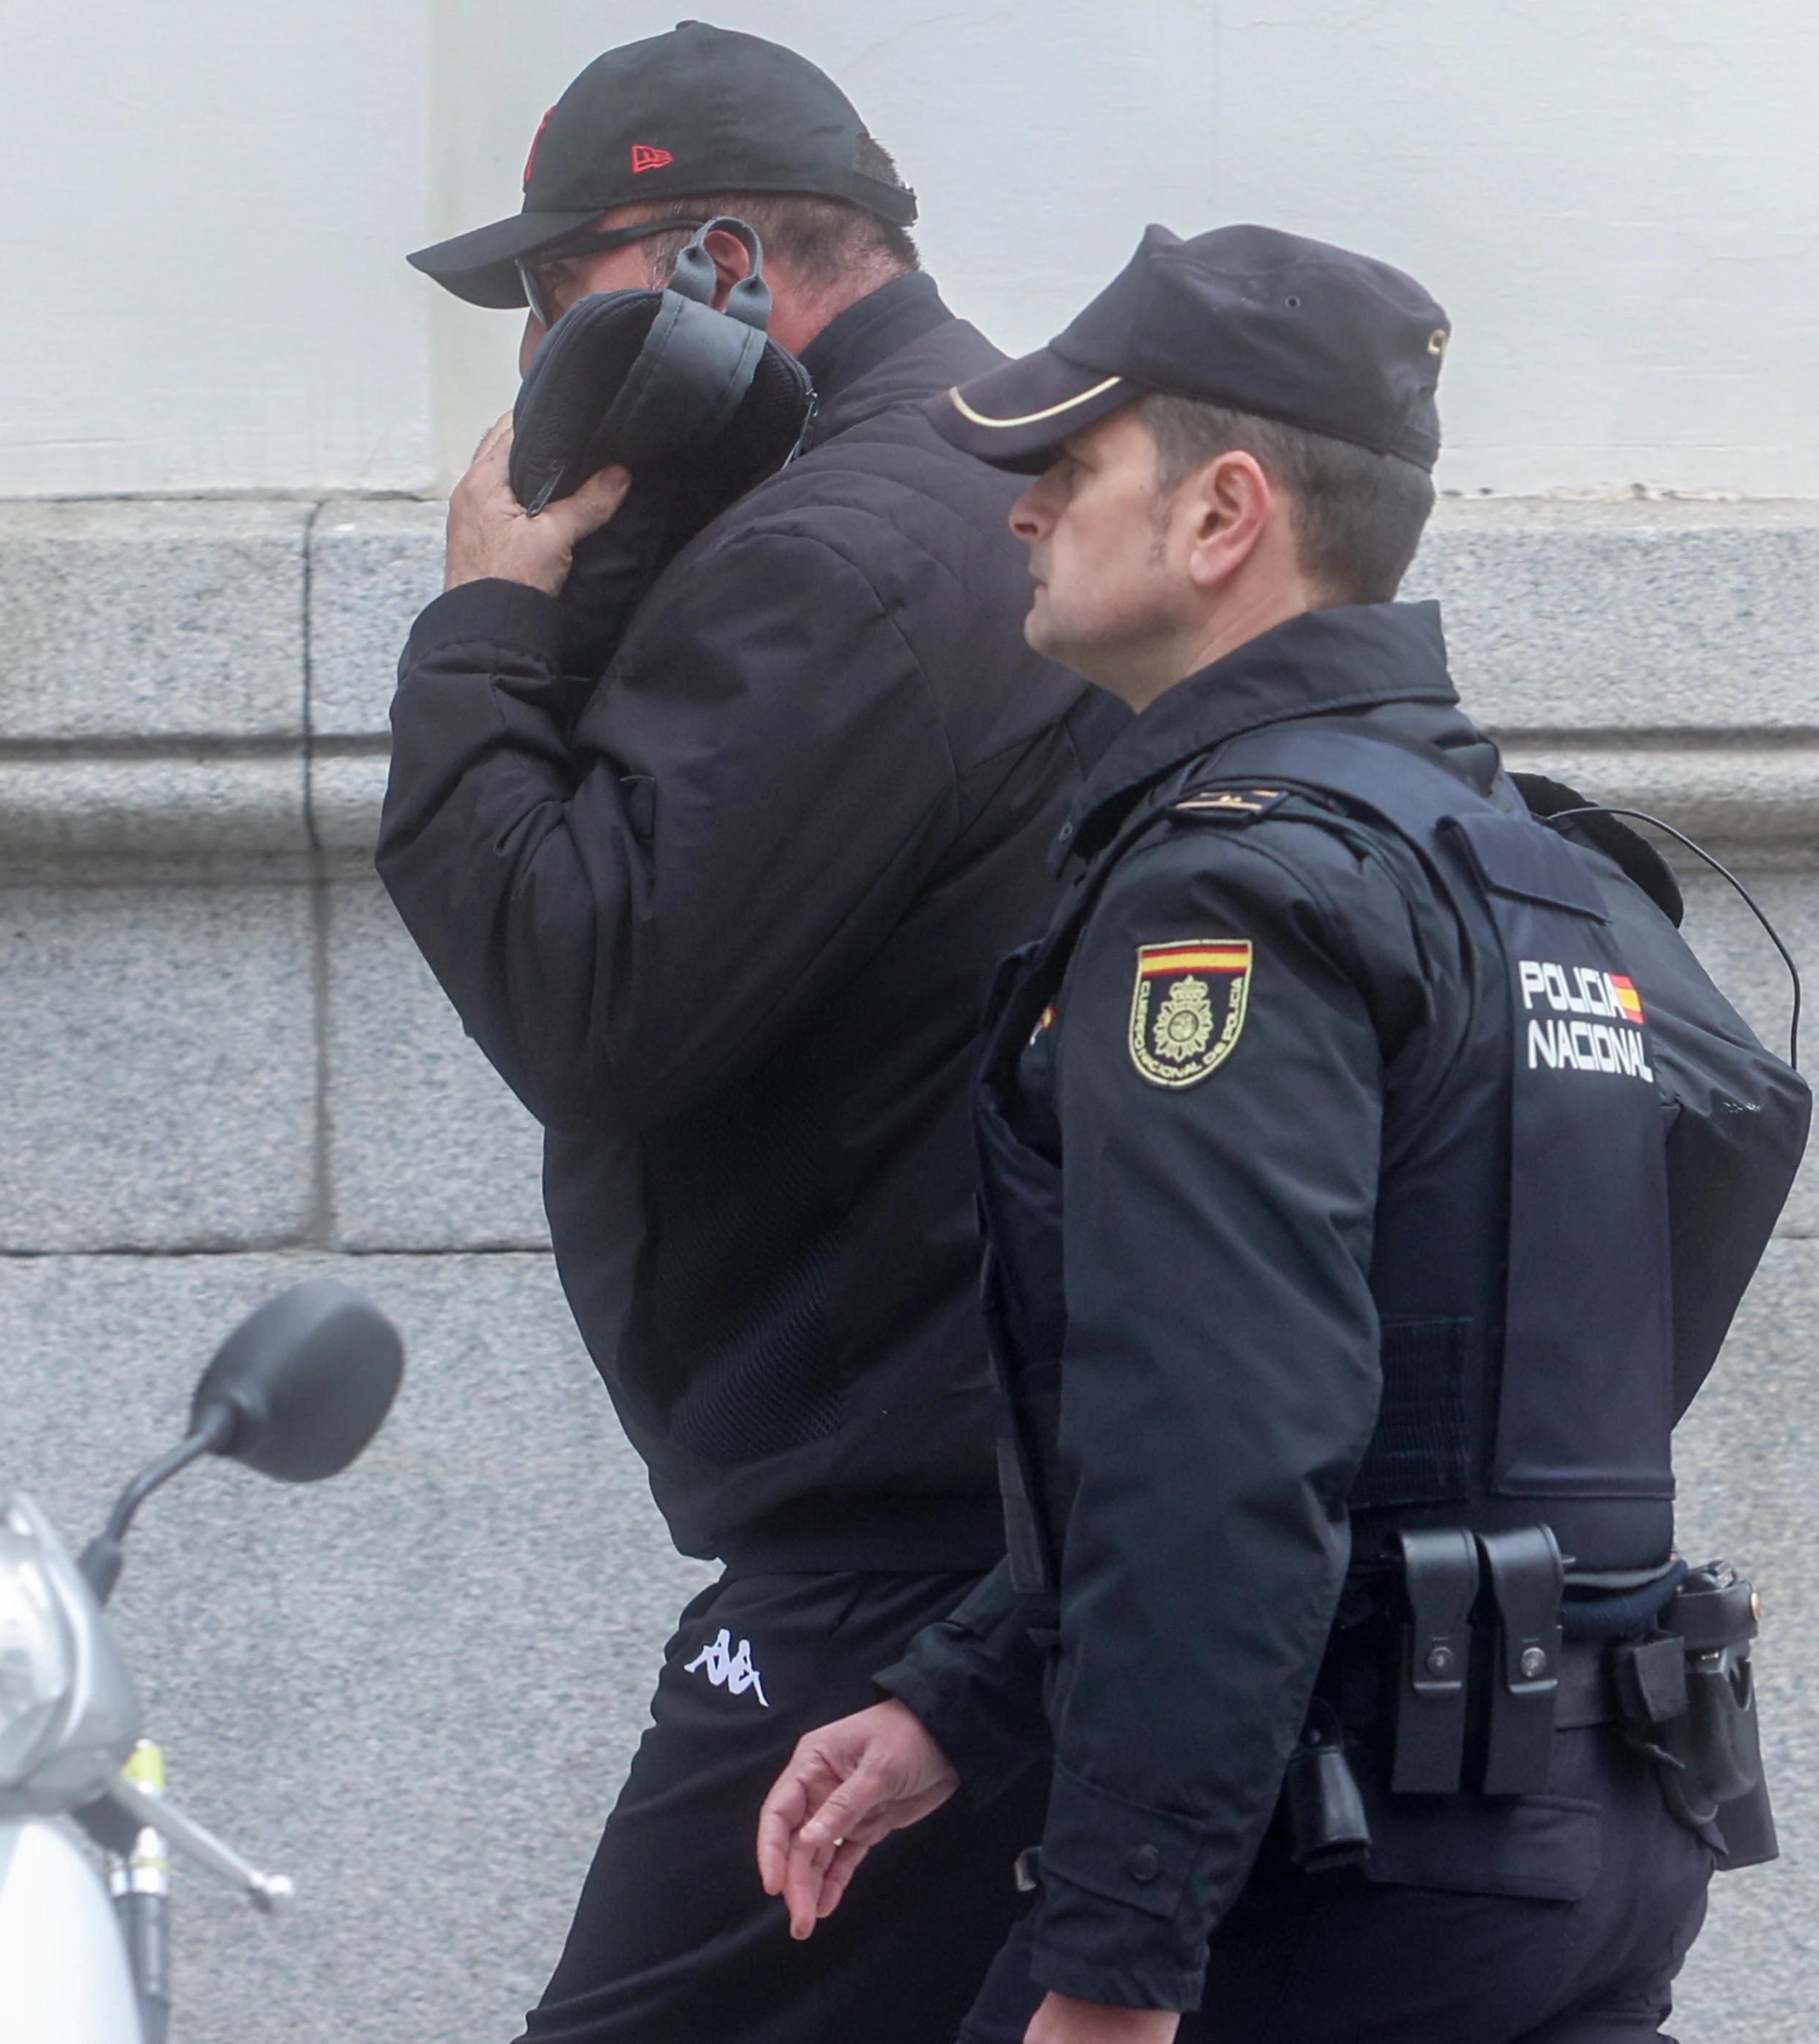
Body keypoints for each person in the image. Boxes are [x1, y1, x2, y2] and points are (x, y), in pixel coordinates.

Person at [744, 224, 1796, 2044]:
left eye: (1066, 467)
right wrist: (966, 1694)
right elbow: (1491, 1360)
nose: (1020, 512)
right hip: (1590, 1833)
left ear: (1225, 512)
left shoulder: (1232, 895)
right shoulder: (1528, 865)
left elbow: (1220, 1442)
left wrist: (1117, 1954)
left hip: (1344, 1879)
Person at [381, 24, 1113, 2044]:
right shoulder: (991, 486)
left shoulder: (826, 552)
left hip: (897, 1559)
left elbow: (588, 999)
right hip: (1006, 1514)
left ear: (719, 263)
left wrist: (491, 619)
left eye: (558, 290)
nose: (533, 350)